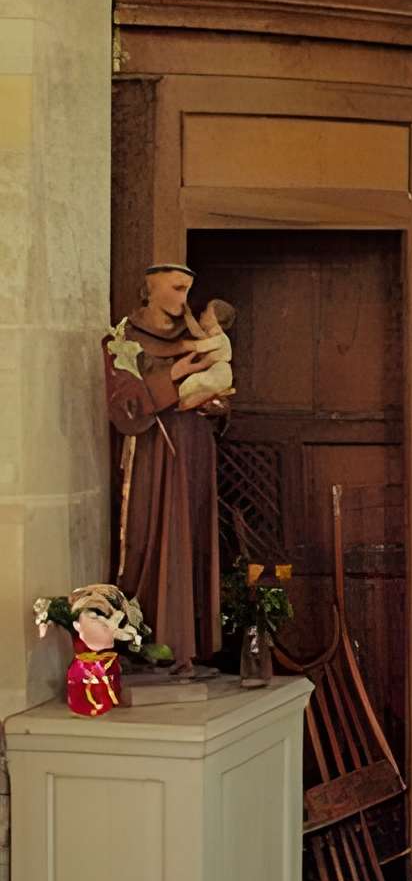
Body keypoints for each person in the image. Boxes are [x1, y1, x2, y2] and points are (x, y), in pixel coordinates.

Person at [102, 262, 229, 671]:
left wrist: (217, 406)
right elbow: (124, 406)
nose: (183, 299)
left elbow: (224, 395)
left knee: (191, 538)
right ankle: (145, 642)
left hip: (192, 449)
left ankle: (187, 647)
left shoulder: (195, 339)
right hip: (153, 454)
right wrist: (174, 375)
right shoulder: (123, 340)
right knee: (147, 537)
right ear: (149, 290)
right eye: (176, 289)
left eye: (187, 290)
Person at [176, 297, 236, 410]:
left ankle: (196, 402)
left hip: (219, 377)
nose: (202, 314)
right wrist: (187, 314)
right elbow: (196, 331)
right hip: (217, 375)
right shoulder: (212, 336)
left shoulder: (221, 339)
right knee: (190, 385)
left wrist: (176, 345)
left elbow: (198, 346)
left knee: (190, 384)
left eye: (206, 311)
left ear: (216, 318)